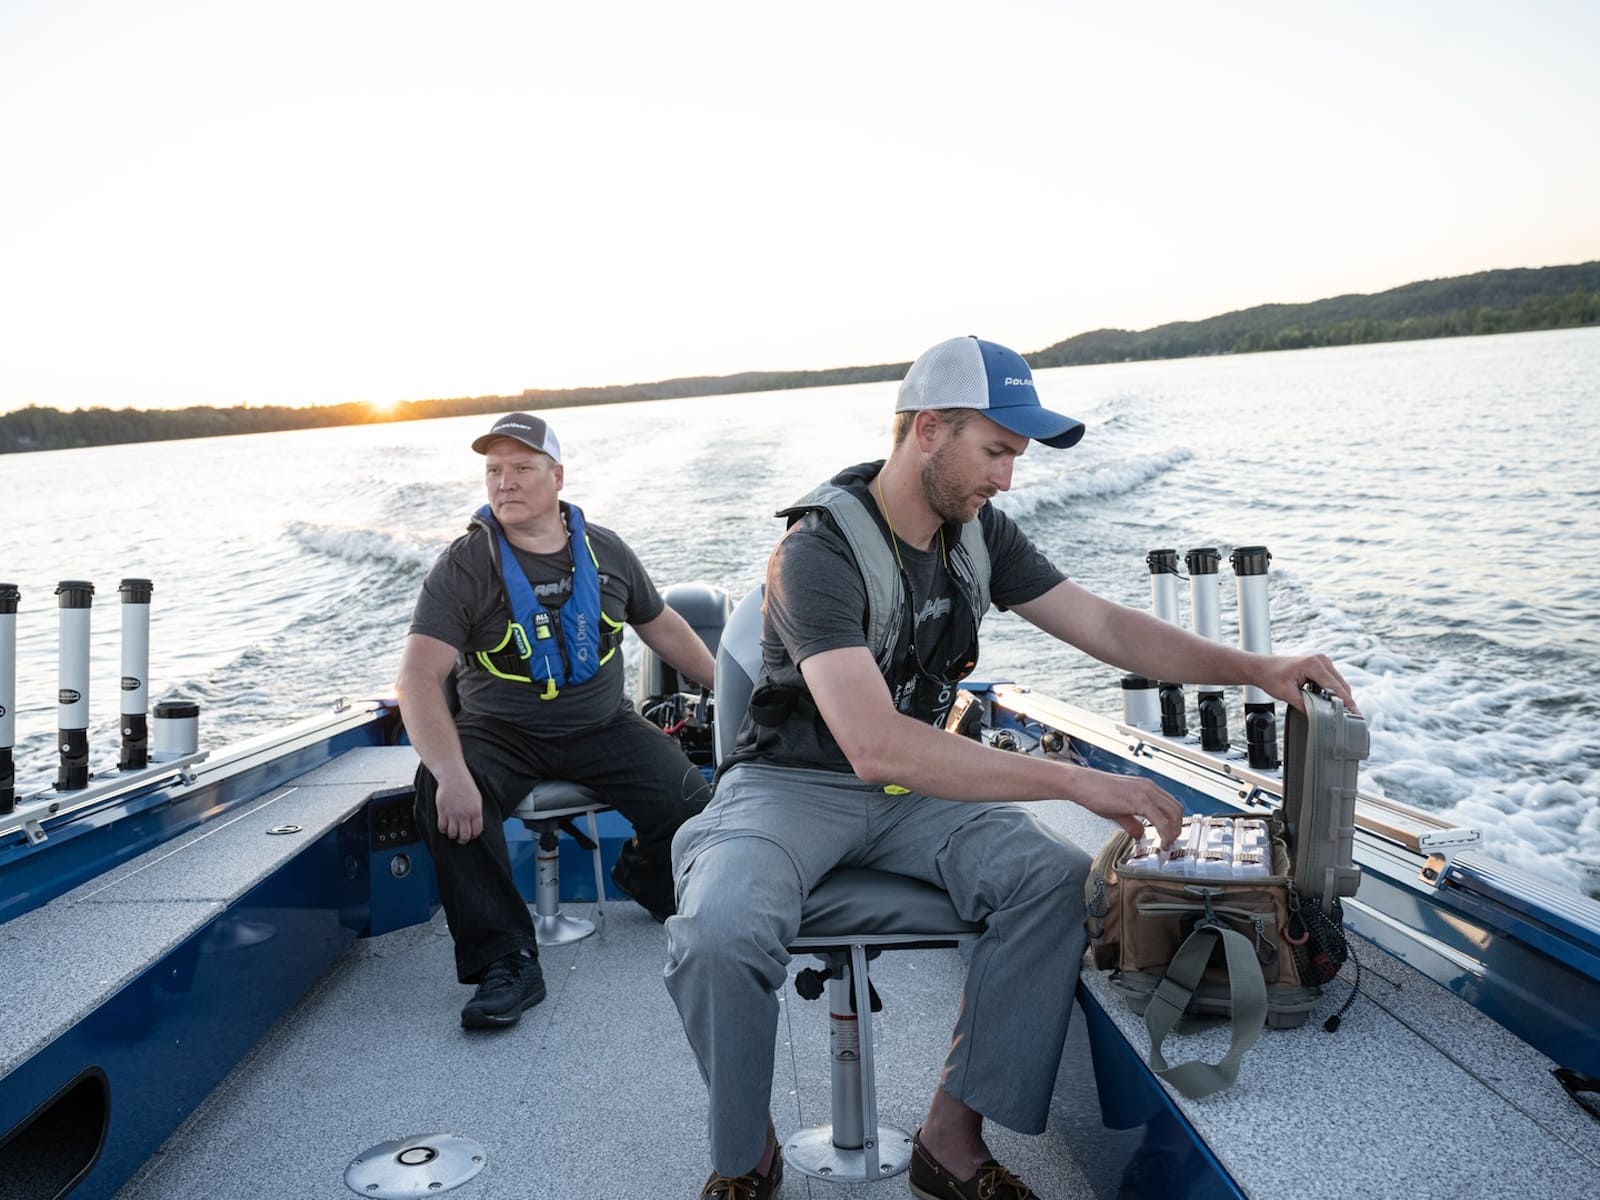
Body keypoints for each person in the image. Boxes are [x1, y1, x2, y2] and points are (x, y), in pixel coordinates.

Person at [663, 336, 1357, 1200]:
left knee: (1051, 881)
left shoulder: (978, 535)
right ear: (928, 430)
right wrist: (1074, 780)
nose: (1007, 477)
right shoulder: (817, 552)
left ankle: (950, 1140)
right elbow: (873, 742)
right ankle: (746, 1155)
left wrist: (1256, 668)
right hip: (792, 787)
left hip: (914, 791)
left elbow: (1105, 628)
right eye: (995, 451)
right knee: (719, 931)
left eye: (1015, 456)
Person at [399, 412, 716, 1030]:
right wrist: (452, 774)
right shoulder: (463, 566)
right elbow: (416, 680)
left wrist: (731, 688)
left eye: (522, 467)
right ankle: (506, 960)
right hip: (499, 733)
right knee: (441, 793)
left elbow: (663, 629)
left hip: (604, 725)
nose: (505, 482)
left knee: (693, 804)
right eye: (494, 470)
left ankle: (649, 881)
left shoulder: (608, 552)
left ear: (558, 477)